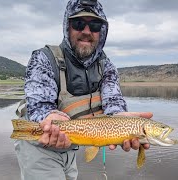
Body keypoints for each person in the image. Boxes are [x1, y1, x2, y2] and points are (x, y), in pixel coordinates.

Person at [14, 0, 152, 179]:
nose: (87, 31)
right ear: (67, 26)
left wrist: (120, 121)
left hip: (71, 144)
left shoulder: (106, 66)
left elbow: (113, 102)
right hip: (38, 145)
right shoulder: (44, 58)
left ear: (101, 31)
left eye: (94, 25)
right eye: (79, 23)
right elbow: (40, 106)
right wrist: (50, 120)